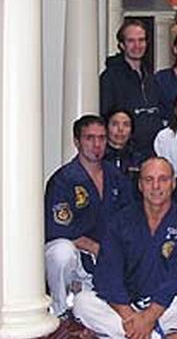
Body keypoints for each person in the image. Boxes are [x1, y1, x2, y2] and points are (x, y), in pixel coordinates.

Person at [73, 157, 177, 339]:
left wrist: (149, 316)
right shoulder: (121, 221)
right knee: (82, 303)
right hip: (125, 305)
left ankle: (117, 334)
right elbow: (108, 274)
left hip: (166, 306)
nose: (156, 186)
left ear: (173, 184)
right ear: (140, 185)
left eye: (163, 179)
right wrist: (129, 314)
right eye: (149, 180)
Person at [45, 115, 133, 317]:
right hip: (76, 252)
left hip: (106, 254)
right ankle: (59, 308)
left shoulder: (116, 177)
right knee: (61, 253)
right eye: (89, 138)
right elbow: (59, 229)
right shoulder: (63, 179)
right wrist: (94, 247)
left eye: (102, 138)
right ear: (77, 142)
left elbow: (129, 219)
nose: (97, 144)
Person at [100, 19, 163, 159]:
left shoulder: (151, 78)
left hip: (152, 152)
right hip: (125, 155)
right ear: (122, 45)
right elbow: (106, 115)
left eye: (141, 40)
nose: (137, 46)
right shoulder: (110, 77)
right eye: (131, 41)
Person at [103, 108, 143, 182]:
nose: (120, 129)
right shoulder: (97, 158)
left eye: (126, 125)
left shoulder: (139, 160)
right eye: (115, 124)